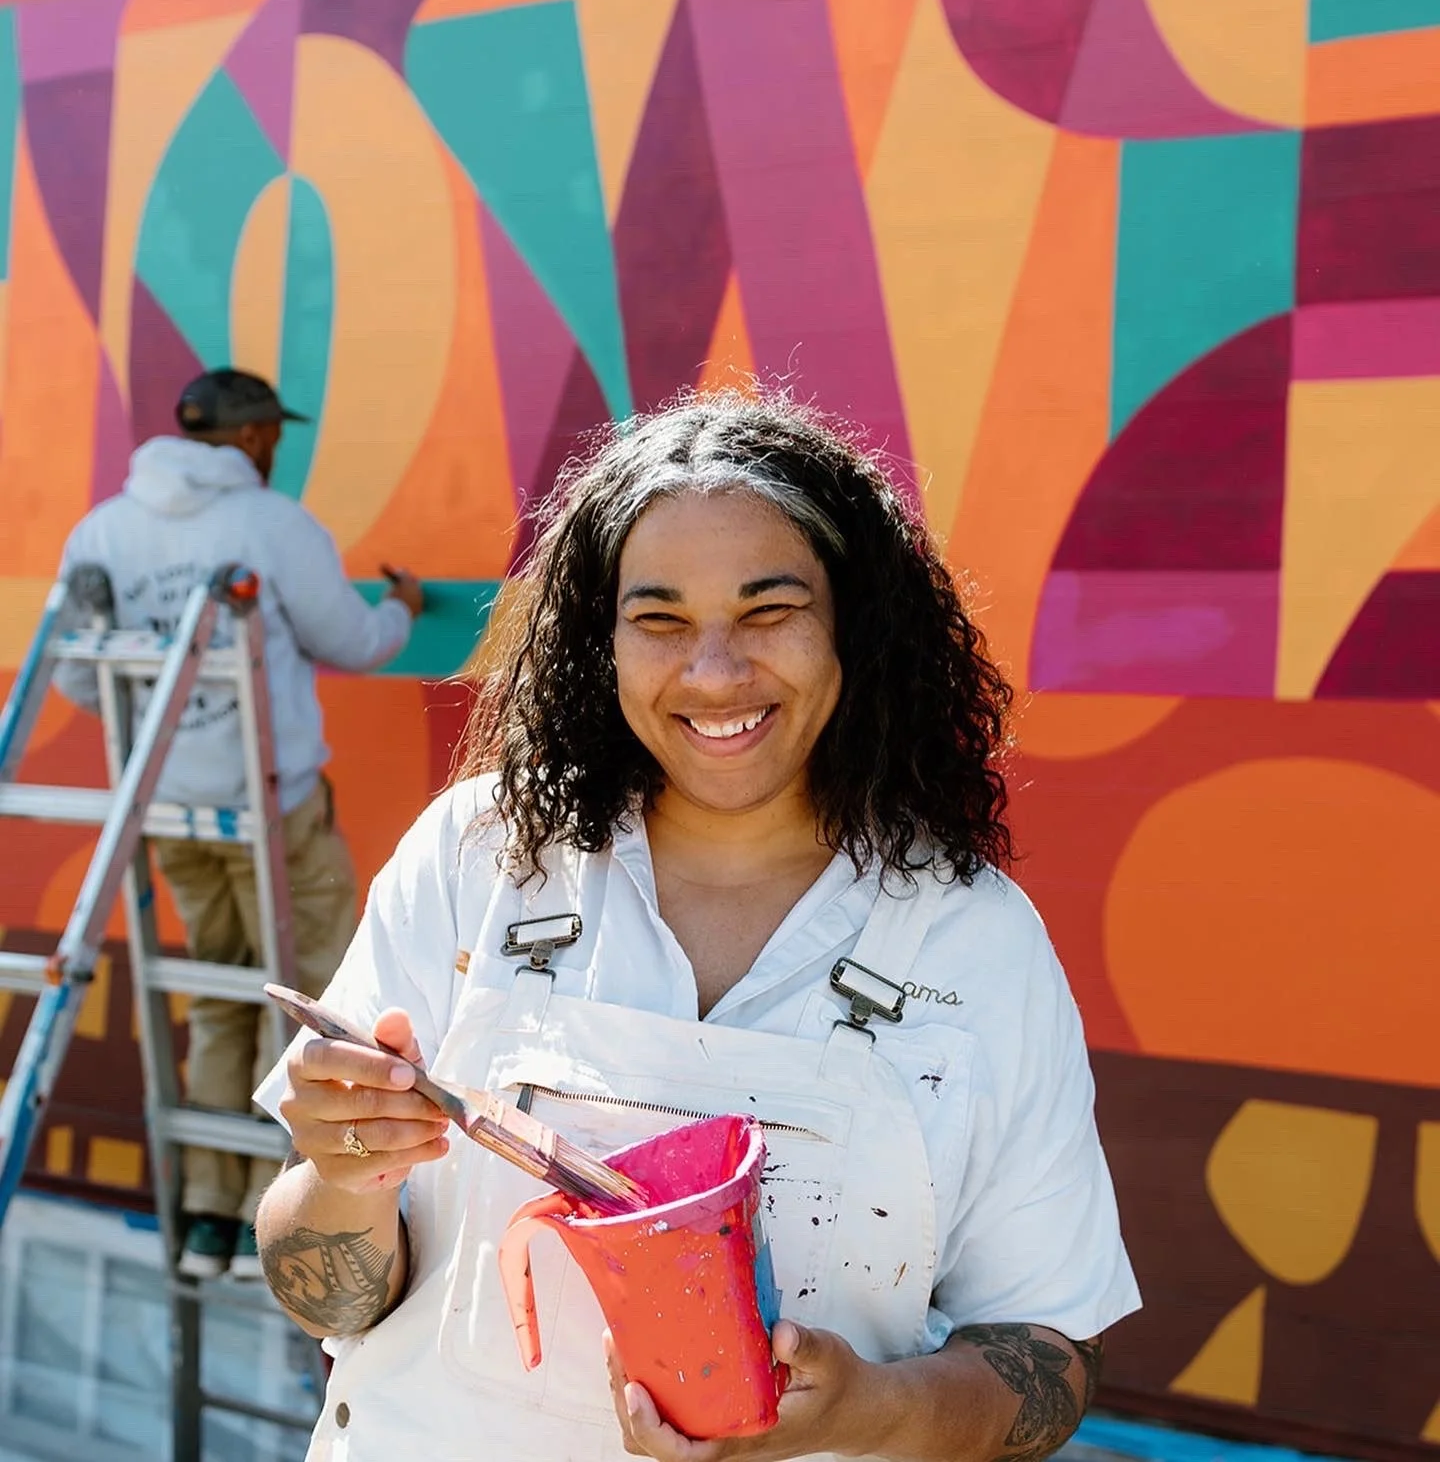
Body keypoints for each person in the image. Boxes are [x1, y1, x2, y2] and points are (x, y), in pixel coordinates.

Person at [254, 390, 1140, 1462]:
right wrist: (348, 1172)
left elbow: (1049, 1352)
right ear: (602, 639)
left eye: (769, 611)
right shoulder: (478, 857)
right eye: (660, 620)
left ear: (856, 624)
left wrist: (875, 1409)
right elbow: (329, 1303)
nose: (714, 672)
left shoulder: (978, 944)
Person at [55, 367, 425, 1282]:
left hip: (169, 810)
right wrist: (403, 608)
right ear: (257, 436)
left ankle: (215, 1217)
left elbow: (74, 673)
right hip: (276, 808)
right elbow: (353, 640)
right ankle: (295, 1215)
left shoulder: (103, 529)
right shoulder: (269, 524)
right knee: (323, 1008)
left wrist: (169, 729)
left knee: (220, 996)